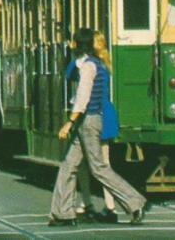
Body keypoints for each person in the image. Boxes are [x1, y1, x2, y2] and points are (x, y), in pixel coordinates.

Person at [48, 28, 145, 227]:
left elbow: (83, 97)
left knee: (98, 168)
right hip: (88, 120)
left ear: (77, 44)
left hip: (88, 121)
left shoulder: (88, 67)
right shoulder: (94, 63)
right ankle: (62, 213)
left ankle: (134, 202)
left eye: (73, 42)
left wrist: (70, 122)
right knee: (68, 166)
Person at [74, 31, 118, 223]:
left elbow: (69, 74)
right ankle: (110, 206)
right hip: (105, 115)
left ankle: (87, 203)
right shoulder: (104, 64)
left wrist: (74, 56)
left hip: (90, 116)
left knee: (84, 164)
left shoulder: (87, 65)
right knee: (103, 164)